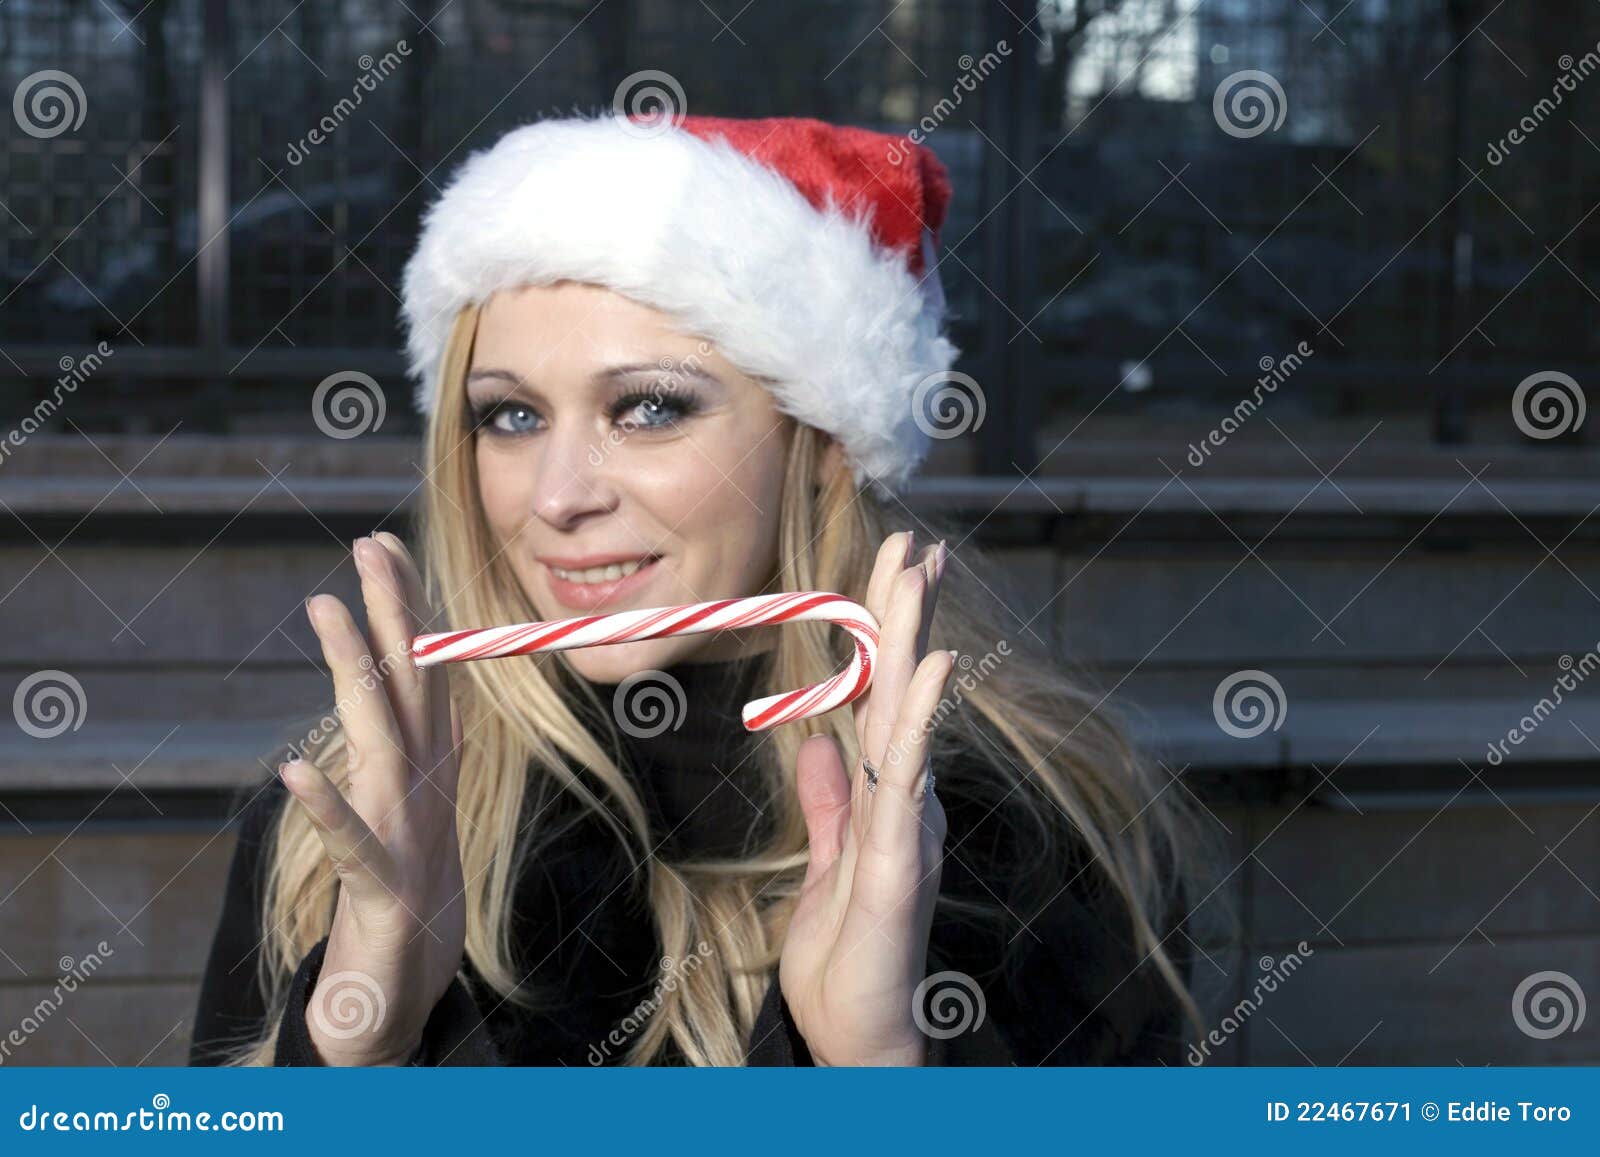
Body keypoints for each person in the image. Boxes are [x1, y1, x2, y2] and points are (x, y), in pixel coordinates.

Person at [188, 111, 1202, 1067]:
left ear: (823, 446)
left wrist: (882, 1068)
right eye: (509, 417)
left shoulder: (1031, 827)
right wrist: (348, 1049)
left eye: (648, 408)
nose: (556, 496)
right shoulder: (350, 823)